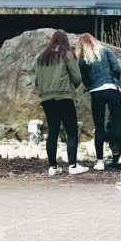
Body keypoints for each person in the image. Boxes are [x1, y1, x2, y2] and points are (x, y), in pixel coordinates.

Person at [33, 29, 87, 176]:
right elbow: (77, 77)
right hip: (64, 97)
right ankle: (73, 166)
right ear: (65, 40)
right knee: (71, 131)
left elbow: (36, 81)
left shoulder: (42, 57)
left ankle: (52, 167)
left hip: (46, 99)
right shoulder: (67, 54)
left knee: (53, 132)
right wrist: (69, 88)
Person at [76, 33, 121, 171]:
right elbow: (116, 68)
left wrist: (90, 86)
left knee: (99, 127)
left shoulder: (83, 60)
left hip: (96, 92)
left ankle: (100, 161)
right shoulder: (106, 50)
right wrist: (114, 81)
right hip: (112, 89)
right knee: (117, 123)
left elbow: (85, 79)